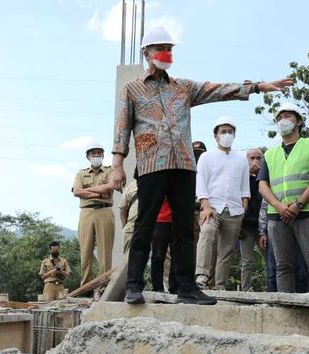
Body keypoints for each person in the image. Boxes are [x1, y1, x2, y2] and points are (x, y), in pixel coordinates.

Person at [111, 25, 292, 305]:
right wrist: (117, 164)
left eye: (170, 49)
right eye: (161, 48)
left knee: (184, 228)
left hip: (184, 166)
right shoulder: (132, 89)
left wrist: (257, 87)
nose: (166, 53)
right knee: (144, 225)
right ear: (146, 53)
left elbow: (217, 90)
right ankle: (134, 284)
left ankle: (187, 287)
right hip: (151, 166)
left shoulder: (183, 87)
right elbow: (122, 128)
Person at [258, 102, 309, 294]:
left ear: (299, 121)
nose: (283, 121)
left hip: (307, 213)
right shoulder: (270, 154)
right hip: (277, 216)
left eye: (288, 116)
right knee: (282, 266)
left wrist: (299, 204)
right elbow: (262, 184)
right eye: (280, 117)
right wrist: (278, 206)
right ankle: (285, 310)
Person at [195, 116, 251, 290]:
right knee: (206, 234)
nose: (227, 134)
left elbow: (245, 188)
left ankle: (219, 286)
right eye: (223, 131)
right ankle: (202, 277)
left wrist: (243, 209)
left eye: (230, 131)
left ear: (235, 134)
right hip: (212, 208)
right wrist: (205, 205)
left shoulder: (241, 159)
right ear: (216, 135)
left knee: (226, 251)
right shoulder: (206, 157)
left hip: (234, 211)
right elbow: (201, 182)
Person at [72, 140, 116, 286]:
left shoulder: (111, 171)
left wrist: (87, 191)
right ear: (88, 156)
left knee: (105, 251)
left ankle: (104, 284)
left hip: (105, 210)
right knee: (85, 250)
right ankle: (85, 286)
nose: (96, 155)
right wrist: (98, 193)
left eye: (99, 153)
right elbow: (76, 191)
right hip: (86, 212)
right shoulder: (81, 173)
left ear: (103, 155)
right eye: (93, 153)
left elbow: (111, 186)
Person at [259, 199, 309, 293]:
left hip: (301, 219)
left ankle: (302, 297)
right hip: (274, 222)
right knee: (275, 268)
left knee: (301, 268)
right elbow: (264, 206)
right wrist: (262, 231)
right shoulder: (268, 186)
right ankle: (274, 299)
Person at [239, 148, 266, 291]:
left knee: (269, 257)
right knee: (246, 260)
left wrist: (259, 175)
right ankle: (245, 290)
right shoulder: (242, 178)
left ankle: (272, 287)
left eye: (258, 158)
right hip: (246, 225)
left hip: (262, 225)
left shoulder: (266, 178)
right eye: (252, 158)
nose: (255, 161)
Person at [151, 200, 177, 292]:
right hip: (160, 218)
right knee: (158, 256)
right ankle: (157, 287)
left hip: (178, 219)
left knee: (177, 256)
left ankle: (175, 287)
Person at [120, 180, 138, 253]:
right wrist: (125, 226)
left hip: (157, 224)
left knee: (162, 257)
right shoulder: (132, 185)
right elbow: (123, 208)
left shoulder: (159, 181)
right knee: (129, 256)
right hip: (133, 225)